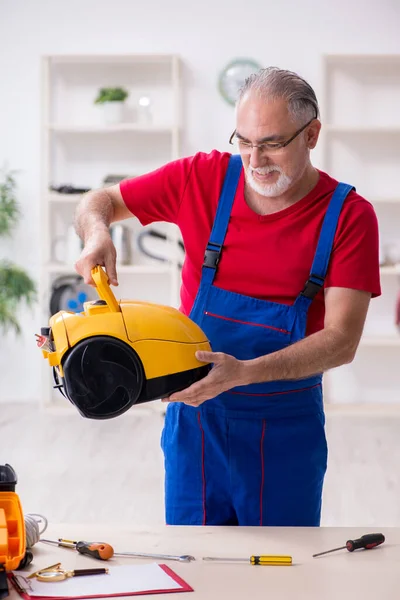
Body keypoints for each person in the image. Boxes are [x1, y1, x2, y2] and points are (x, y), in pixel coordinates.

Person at [74, 67, 381, 527]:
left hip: (285, 432)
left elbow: (342, 339)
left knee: (282, 573)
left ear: (312, 134)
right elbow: (98, 200)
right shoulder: (203, 177)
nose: (254, 160)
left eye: (273, 143)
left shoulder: (349, 217)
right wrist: (96, 233)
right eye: (244, 140)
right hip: (195, 427)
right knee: (196, 566)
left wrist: (244, 374)